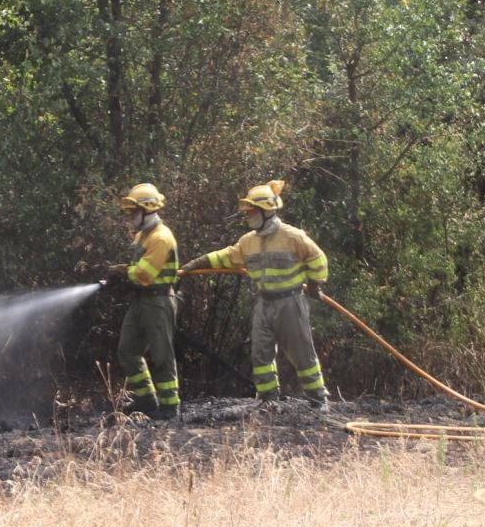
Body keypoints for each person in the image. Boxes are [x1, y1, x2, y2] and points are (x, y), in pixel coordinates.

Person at [180, 180, 330, 411]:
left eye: (252, 211)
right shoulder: (248, 241)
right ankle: (269, 399)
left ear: (267, 211)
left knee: (301, 353)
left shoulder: (293, 236)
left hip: (290, 302)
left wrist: (314, 284)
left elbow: (318, 259)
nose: (248, 215)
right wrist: (196, 263)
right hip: (264, 303)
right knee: (261, 354)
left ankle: (318, 400)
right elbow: (227, 256)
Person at [109, 183, 181, 424]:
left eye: (133, 211)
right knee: (127, 350)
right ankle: (146, 401)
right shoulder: (143, 235)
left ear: (148, 210)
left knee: (162, 354)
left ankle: (170, 407)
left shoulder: (161, 237)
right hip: (141, 301)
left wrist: (122, 272)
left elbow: (144, 274)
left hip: (158, 301)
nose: (130, 216)